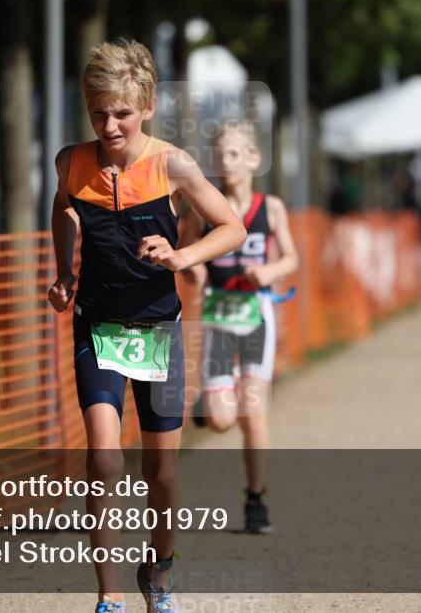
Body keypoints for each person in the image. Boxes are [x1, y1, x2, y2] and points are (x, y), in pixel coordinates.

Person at [47, 39, 246, 613]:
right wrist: (65, 270)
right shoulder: (72, 161)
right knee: (104, 460)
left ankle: (159, 575)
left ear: (148, 106)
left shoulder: (172, 164)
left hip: (158, 326)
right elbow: (63, 206)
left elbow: (229, 226)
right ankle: (109, 596)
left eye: (122, 113)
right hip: (98, 324)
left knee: (162, 472)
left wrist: (183, 258)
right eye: (98, 113)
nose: (109, 125)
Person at [180, 120, 299, 535]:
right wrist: (193, 270)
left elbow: (291, 259)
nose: (225, 163)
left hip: (255, 316)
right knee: (220, 421)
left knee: (253, 411)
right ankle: (209, 404)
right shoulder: (204, 205)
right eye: (219, 156)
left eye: (234, 154)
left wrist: (268, 271)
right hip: (217, 317)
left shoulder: (271, 208)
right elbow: (189, 251)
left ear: (254, 158)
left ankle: (256, 497)